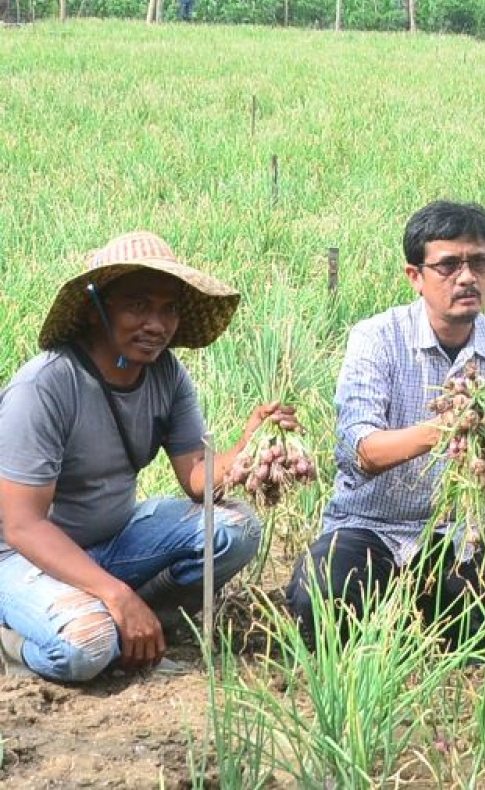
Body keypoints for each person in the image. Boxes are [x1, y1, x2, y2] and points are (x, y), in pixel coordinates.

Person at [0, 232, 289, 682]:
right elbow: (22, 525)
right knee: (87, 648)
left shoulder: (167, 375)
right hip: (23, 559)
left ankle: (141, 622)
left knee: (234, 529)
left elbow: (197, 477)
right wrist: (117, 596)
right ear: (96, 309)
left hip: (110, 541)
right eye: (137, 305)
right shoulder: (45, 387)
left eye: (167, 308)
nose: (156, 324)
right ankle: (15, 639)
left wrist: (249, 444)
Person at [286, 201, 485, 647]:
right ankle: (408, 614)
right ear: (415, 276)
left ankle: (428, 614)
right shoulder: (376, 339)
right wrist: (451, 428)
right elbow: (364, 451)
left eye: (479, 262)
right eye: (448, 265)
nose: (467, 277)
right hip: (372, 528)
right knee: (324, 599)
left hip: (465, 535)